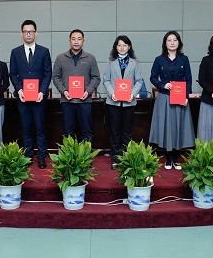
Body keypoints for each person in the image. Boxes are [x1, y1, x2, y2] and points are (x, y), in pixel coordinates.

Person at [9, 20, 52, 169]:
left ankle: (41, 157)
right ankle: (28, 157)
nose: (28, 34)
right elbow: (13, 74)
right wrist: (19, 90)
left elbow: (47, 73)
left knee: (40, 128)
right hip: (23, 97)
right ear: (21, 34)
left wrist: (42, 91)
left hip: (39, 97)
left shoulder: (44, 51)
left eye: (31, 31)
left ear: (36, 33)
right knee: (26, 128)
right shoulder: (15, 52)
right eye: (25, 31)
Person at [149, 31, 195, 170]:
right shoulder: (159, 59)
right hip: (164, 97)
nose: (172, 43)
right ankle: (168, 159)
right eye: (169, 40)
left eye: (175, 40)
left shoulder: (184, 59)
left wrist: (186, 96)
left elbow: (189, 79)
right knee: (167, 127)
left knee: (179, 127)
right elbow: (152, 77)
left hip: (180, 97)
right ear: (165, 43)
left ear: (179, 42)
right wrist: (162, 85)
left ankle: (176, 158)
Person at [52, 29, 101, 143]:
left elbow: (96, 78)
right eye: (73, 39)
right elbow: (56, 77)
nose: (76, 41)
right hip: (67, 101)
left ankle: (86, 154)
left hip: (85, 101)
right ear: (69, 41)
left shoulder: (90, 58)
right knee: (68, 132)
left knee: (86, 132)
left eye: (79, 39)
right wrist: (63, 91)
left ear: (83, 41)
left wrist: (87, 91)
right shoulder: (60, 58)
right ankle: (68, 155)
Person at [102, 35, 143, 169]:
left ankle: (126, 158)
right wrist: (112, 93)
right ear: (116, 47)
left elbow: (139, 81)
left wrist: (132, 94)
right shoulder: (110, 61)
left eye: (125, 45)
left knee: (127, 132)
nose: (122, 47)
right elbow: (106, 80)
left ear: (129, 47)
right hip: (113, 102)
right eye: (119, 45)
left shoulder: (134, 62)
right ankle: (115, 158)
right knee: (114, 131)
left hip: (129, 103)